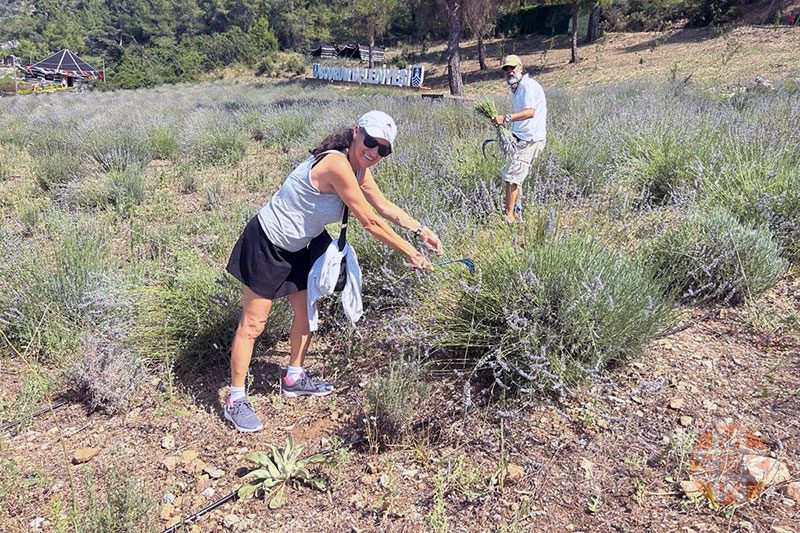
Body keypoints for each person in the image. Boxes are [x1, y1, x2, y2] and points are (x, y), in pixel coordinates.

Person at [223, 110, 443, 432]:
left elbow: (383, 206)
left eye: (383, 149)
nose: (374, 152)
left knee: (306, 315)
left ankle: (294, 378)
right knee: (253, 324)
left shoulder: (357, 168)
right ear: (356, 133)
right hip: (268, 242)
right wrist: (411, 254)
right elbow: (370, 221)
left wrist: (420, 230)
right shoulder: (337, 165)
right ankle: (235, 398)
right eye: (370, 142)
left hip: (299, 246)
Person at [491, 54, 547, 223]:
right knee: (514, 176)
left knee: (512, 177)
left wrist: (506, 118)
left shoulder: (527, 86)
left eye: (512, 68)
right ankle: (517, 212)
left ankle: (509, 217)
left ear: (521, 68)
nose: (509, 71)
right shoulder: (517, 87)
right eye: (506, 69)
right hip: (521, 139)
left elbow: (530, 112)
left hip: (530, 140)